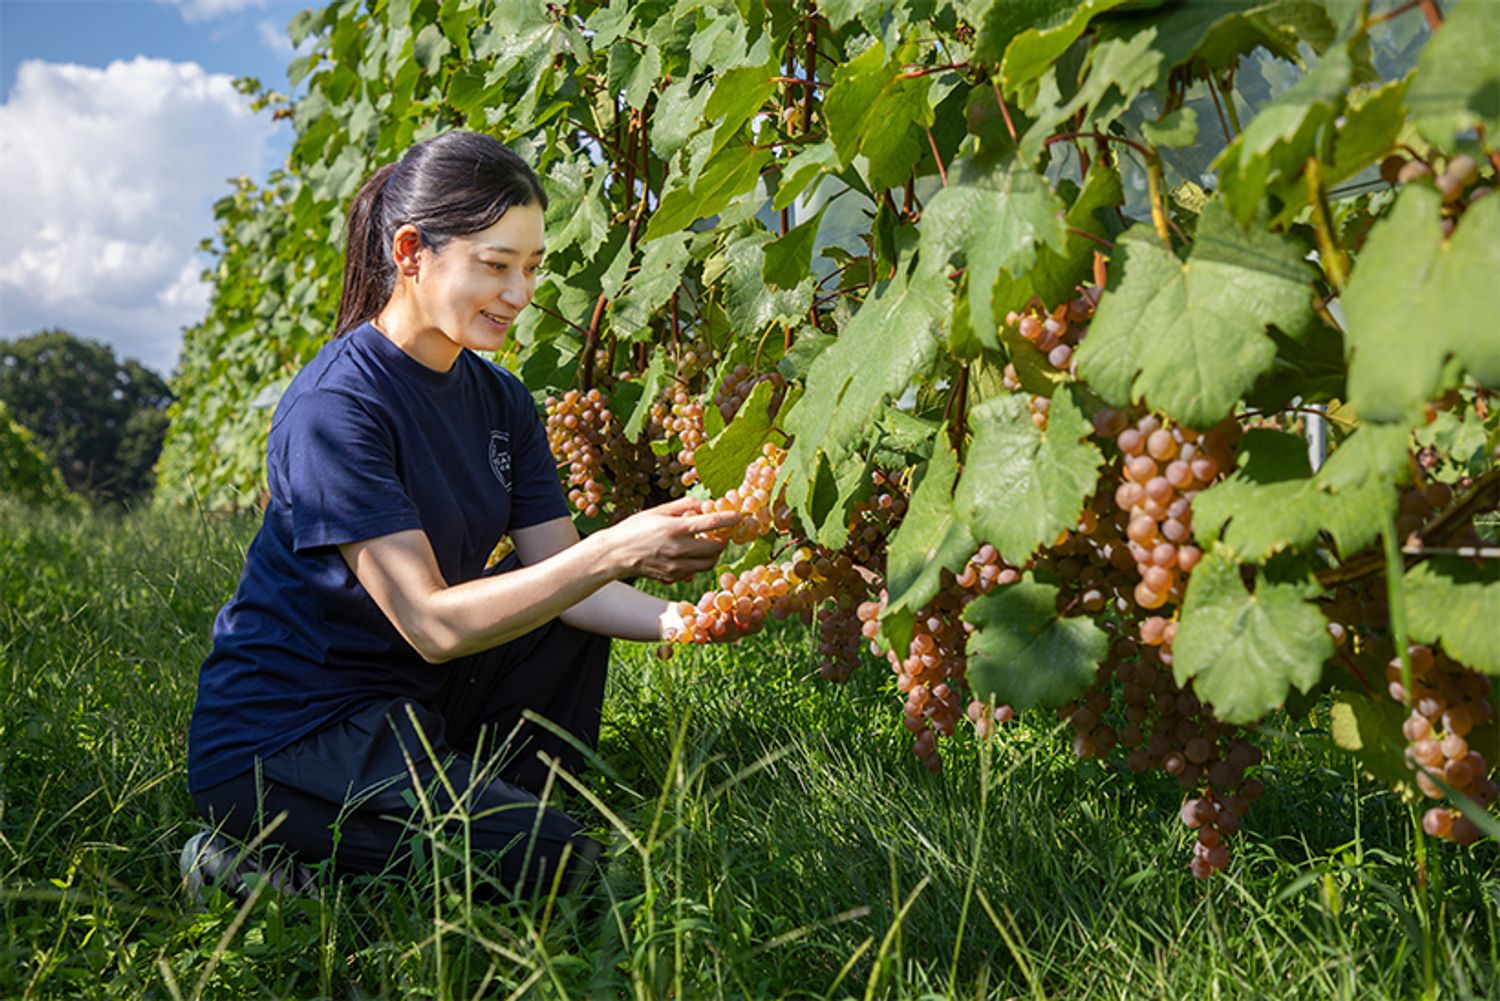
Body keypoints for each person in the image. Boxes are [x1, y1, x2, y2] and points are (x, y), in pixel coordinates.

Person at [182, 130, 737, 902]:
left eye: (532, 268)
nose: (518, 294)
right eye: (495, 265)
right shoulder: (336, 408)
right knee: (559, 861)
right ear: (412, 252)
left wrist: (695, 617)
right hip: (290, 737)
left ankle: (491, 816)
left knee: (554, 601)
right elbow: (432, 623)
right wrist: (614, 548)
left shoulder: (502, 400)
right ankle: (251, 863)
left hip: (414, 701)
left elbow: (567, 577)